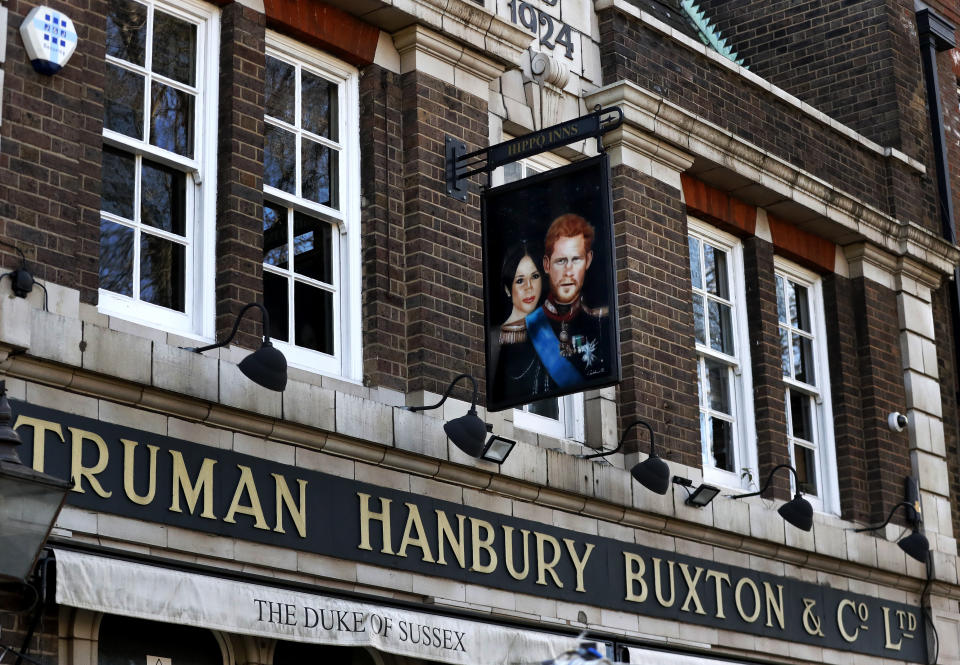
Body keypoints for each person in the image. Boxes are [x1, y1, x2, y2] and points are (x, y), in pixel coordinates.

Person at [524, 213, 609, 389]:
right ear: (547, 265)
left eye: (576, 259)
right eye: (561, 260)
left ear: (588, 260)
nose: (568, 271)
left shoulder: (602, 325)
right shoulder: (527, 330)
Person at [491, 242, 553, 403]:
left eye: (534, 276)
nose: (529, 287)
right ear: (507, 288)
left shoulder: (551, 333)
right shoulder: (494, 338)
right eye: (520, 280)